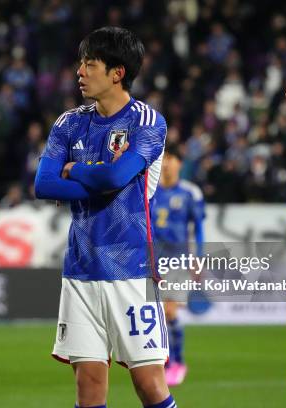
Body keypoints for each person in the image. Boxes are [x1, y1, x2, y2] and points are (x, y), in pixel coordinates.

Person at [35, 27, 177, 408]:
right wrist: (101, 178)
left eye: (90, 64)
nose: (79, 71)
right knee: (89, 386)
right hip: (80, 270)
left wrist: (75, 170)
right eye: (81, 63)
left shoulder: (148, 122)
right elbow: (44, 185)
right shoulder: (69, 123)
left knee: (149, 384)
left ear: (117, 72)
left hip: (130, 270)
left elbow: (115, 177)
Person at [151, 144, 205, 386]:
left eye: (171, 158)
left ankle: (177, 362)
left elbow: (199, 228)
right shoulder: (151, 191)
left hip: (178, 259)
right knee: (156, 314)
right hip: (154, 260)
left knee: (169, 310)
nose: (166, 163)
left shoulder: (190, 193)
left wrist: (199, 257)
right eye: (163, 159)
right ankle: (165, 360)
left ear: (179, 164)